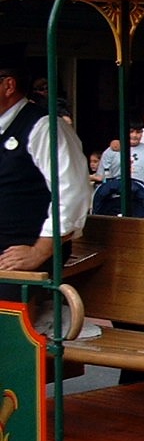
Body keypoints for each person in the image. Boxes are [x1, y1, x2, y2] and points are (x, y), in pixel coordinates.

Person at [0, 55, 91, 301]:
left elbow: (71, 192)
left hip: (23, 252)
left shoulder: (44, 128)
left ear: (8, 85)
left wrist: (39, 251)